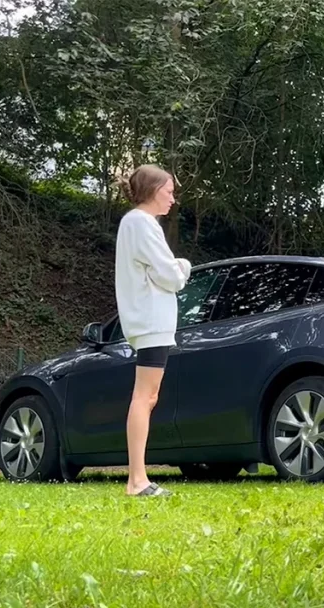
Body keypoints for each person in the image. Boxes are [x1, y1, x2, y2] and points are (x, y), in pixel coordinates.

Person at [114, 164, 191, 497]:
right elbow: (171, 277)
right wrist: (184, 266)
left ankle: (138, 478)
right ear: (152, 190)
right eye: (169, 191)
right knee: (144, 397)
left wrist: (174, 269)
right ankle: (137, 480)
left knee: (147, 397)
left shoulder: (137, 224)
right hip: (150, 321)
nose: (173, 198)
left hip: (148, 322)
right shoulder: (141, 223)